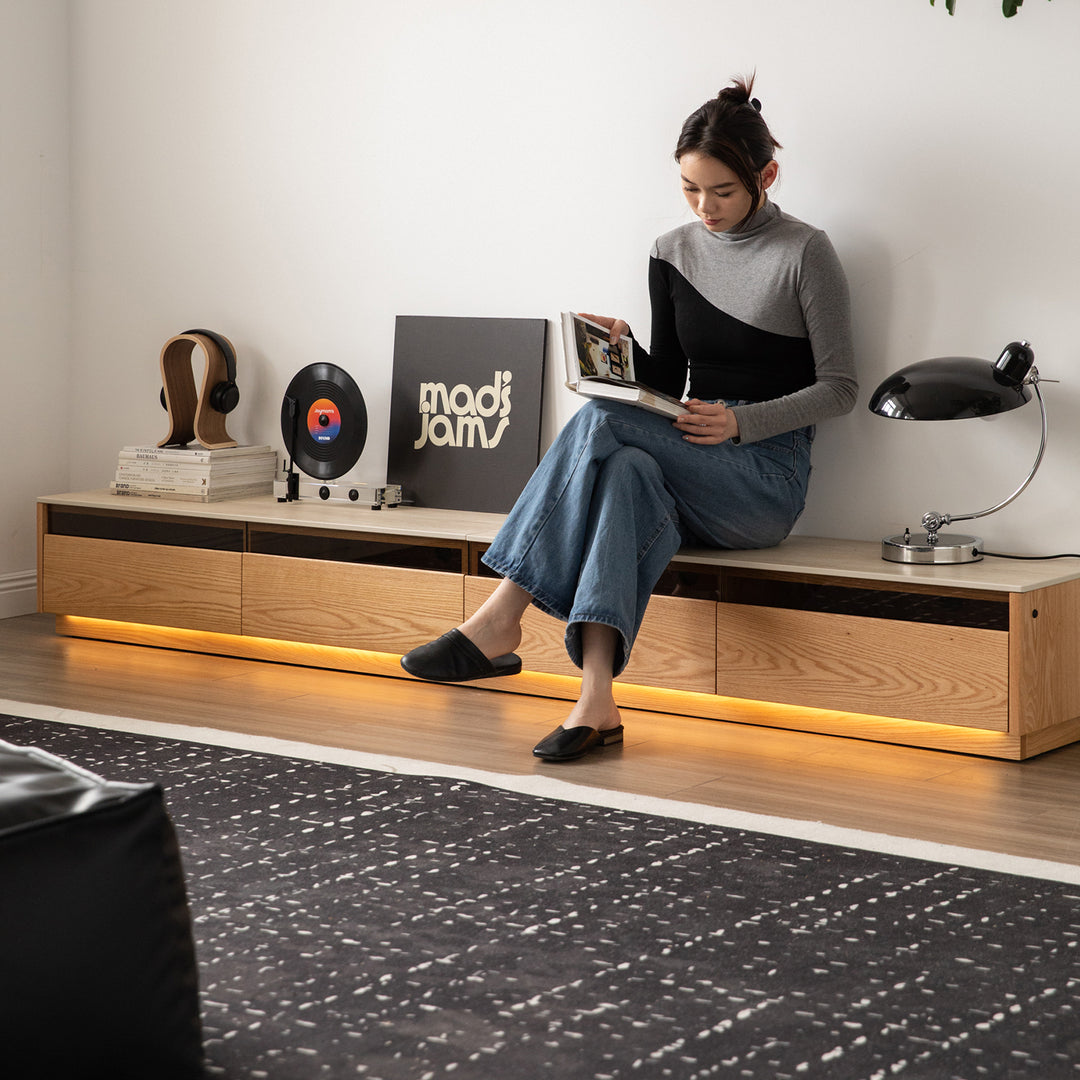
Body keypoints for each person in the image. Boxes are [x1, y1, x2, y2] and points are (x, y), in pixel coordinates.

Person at [401, 75, 858, 762]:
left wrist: (740, 425)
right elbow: (671, 380)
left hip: (763, 475)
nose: (705, 207)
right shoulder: (670, 251)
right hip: (684, 453)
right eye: (689, 189)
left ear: (767, 174)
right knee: (628, 472)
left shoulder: (804, 251)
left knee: (598, 424)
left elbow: (841, 388)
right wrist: (627, 356)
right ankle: (596, 702)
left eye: (724, 191)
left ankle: (501, 616)